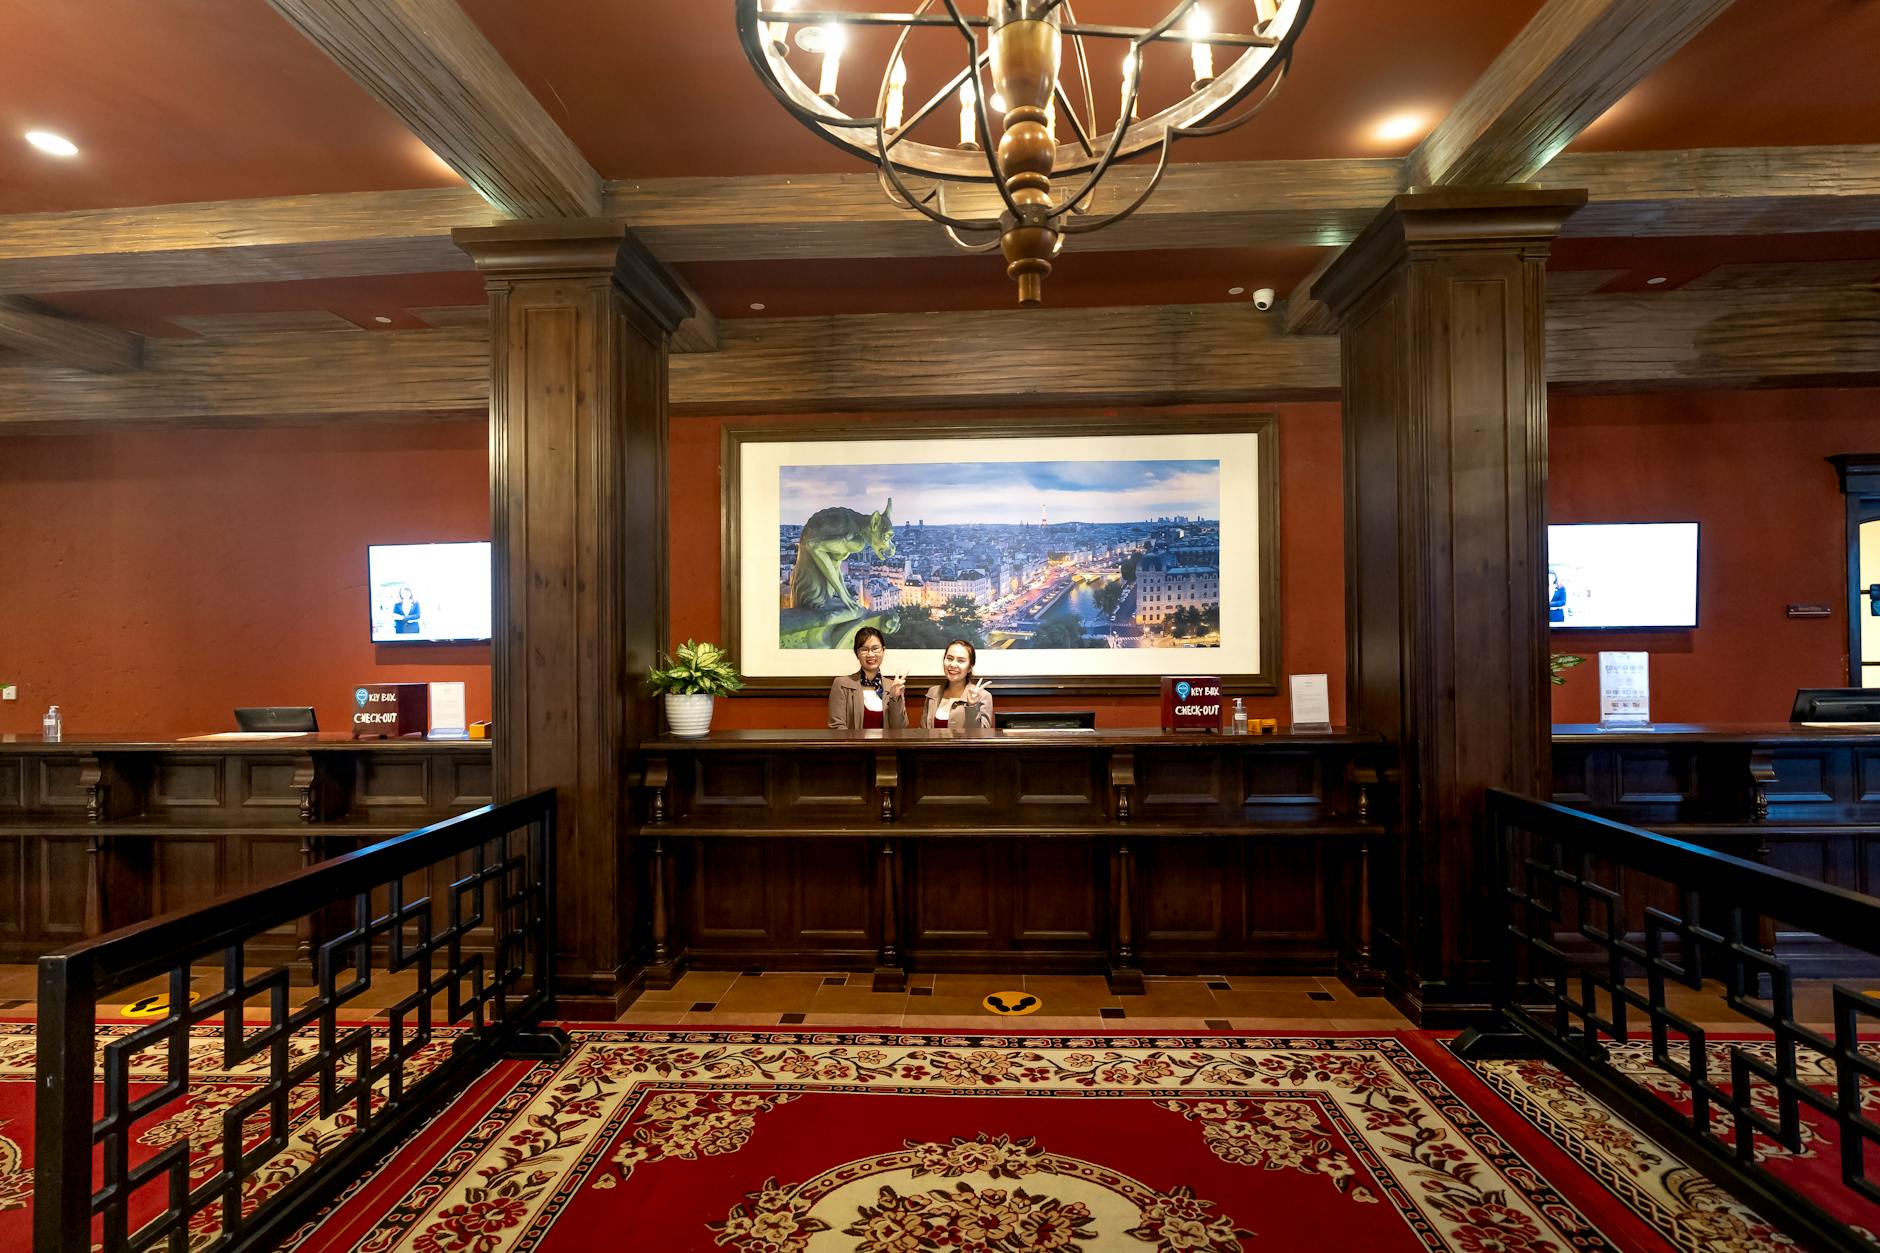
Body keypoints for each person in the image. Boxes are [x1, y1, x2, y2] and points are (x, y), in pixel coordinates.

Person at [828, 626, 907, 730]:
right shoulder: (842, 684)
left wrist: (895, 698)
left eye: (875, 648)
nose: (870, 654)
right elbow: (836, 726)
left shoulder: (892, 686)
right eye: (864, 649)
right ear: (857, 653)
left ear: (883, 650)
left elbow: (899, 728)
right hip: (851, 741)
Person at [921, 638, 994, 730]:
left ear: (970, 667)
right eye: (949, 659)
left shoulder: (983, 696)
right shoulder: (933, 692)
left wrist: (972, 706)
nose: (953, 665)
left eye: (961, 661)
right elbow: (924, 730)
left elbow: (981, 734)